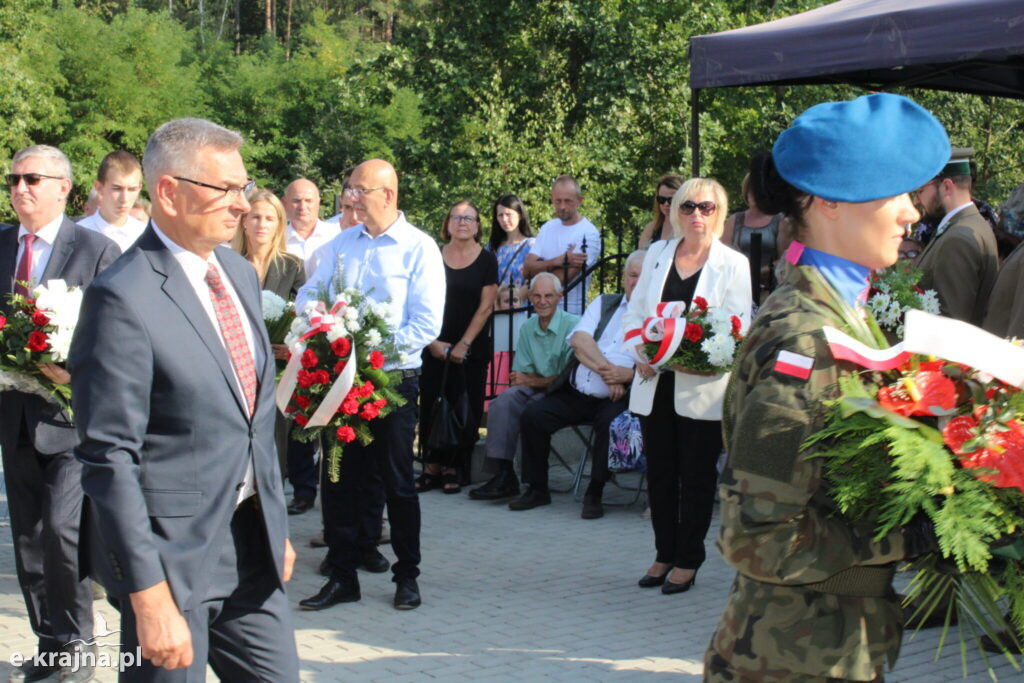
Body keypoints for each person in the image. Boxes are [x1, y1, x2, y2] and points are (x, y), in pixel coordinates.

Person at [704, 93, 951, 682]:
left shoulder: (840, 319)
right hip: (793, 657)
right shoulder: (805, 345)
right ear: (831, 202)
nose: (912, 212)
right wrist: (908, 535)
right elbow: (757, 535)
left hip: (824, 645)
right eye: (896, 194)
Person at [70, 118, 299, 680]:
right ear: (169, 192)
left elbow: (253, 418)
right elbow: (109, 458)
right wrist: (147, 598)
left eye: (245, 187)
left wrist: (277, 526)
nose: (243, 205)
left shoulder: (240, 276)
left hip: (250, 549)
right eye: (225, 189)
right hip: (169, 562)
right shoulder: (122, 297)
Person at [295, 159, 444, 612]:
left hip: (392, 380)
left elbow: (426, 323)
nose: (351, 197)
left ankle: (407, 576)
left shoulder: (419, 248)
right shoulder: (342, 244)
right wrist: (324, 325)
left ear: (388, 195)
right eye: (350, 189)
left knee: (397, 482)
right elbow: (309, 293)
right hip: (341, 379)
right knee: (339, 481)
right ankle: (342, 576)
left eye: (361, 190)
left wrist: (372, 348)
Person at [1, 144, 121, 683]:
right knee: (26, 536)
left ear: (64, 188)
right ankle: (50, 641)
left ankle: (76, 642)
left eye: (31, 179)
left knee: (61, 528)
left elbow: (119, 334)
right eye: (13, 179)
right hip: (13, 415)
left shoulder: (94, 249)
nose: (20, 188)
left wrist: (77, 366)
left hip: (73, 422)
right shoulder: (2, 245)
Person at [624, 178, 752, 596]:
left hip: (702, 388)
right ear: (675, 211)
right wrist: (642, 353)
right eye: (688, 207)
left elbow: (737, 330)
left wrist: (694, 361)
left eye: (707, 208)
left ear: (719, 213)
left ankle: (688, 559)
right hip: (654, 380)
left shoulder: (733, 263)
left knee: (695, 478)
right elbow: (636, 311)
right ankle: (664, 553)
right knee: (660, 474)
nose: (697, 215)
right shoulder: (658, 254)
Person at [510, 251, 644, 518]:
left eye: (644, 277)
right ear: (623, 277)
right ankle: (537, 489)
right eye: (632, 275)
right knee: (534, 416)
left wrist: (626, 377)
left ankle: (595, 492)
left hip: (617, 398)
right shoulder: (604, 303)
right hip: (577, 392)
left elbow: (653, 368)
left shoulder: (655, 318)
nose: (637, 282)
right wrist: (609, 373)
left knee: (611, 424)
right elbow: (580, 342)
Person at [230, 188, 313, 504]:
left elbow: (302, 320)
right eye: (255, 217)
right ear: (244, 221)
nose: (261, 224)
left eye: (269, 218)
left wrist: (291, 347)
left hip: (277, 373)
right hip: (236, 369)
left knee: (276, 444)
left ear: (279, 224)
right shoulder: (225, 261)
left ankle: (269, 503)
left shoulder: (292, 266)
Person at [468, 273, 579, 500]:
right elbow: (521, 376)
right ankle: (504, 474)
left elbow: (567, 378)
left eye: (549, 295)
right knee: (503, 402)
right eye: (536, 296)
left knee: (532, 411)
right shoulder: (528, 327)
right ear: (529, 297)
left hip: (564, 394)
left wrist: (538, 379)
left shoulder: (574, 326)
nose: (542, 301)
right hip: (538, 388)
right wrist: (540, 379)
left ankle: (533, 483)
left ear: (560, 296)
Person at [417, 201, 498, 493]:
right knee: (431, 404)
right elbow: (417, 300)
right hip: (433, 347)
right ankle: (431, 466)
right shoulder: (431, 256)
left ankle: (456, 467)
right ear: (447, 223)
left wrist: (463, 344)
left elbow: (486, 307)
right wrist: (433, 342)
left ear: (477, 226)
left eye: (469, 218)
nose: (462, 222)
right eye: (456, 217)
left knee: (465, 407)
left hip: (470, 350)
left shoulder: (487, 260)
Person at [914, 147, 999, 325]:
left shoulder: (957, 239)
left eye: (920, 191)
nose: (916, 201)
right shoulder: (963, 227)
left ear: (946, 186)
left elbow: (950, 324)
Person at [522, 176, 602, 314]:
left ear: (579, 201)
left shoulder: (588, 234)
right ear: (552, 198)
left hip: (570, 313)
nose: (562, 206)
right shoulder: (548, 227)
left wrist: (539, 267)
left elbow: (561, 279)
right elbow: (527, 268)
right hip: (538, 311)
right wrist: (559, 261)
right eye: (558, 201)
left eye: (568, 201)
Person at [722, 153, 793, 299]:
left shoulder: (780, 220)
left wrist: (759, 272)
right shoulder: (734, 220)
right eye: (750, 190)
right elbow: (722, 255)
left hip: (768, 291)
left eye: (757, 191)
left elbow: (785, 258)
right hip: (736, 287)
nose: (753, 195)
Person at [77, 150, 148, 252]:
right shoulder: (78, 235)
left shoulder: (145, 235)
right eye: (117, 188)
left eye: (132, 189)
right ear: (99, 188)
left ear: (139, 189)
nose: (124, 198)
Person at [283, 177, 340, 277]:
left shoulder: (335, 236)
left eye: (308, 200)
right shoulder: (278, 239)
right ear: (285, 204)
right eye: (296, 201)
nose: (302, 207)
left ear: (318, 203)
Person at [637, 174, 684, 248]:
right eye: (661, 199)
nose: (666, 204)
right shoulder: (652, 228)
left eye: (671, 200)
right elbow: (640, 255)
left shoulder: (688, 229)